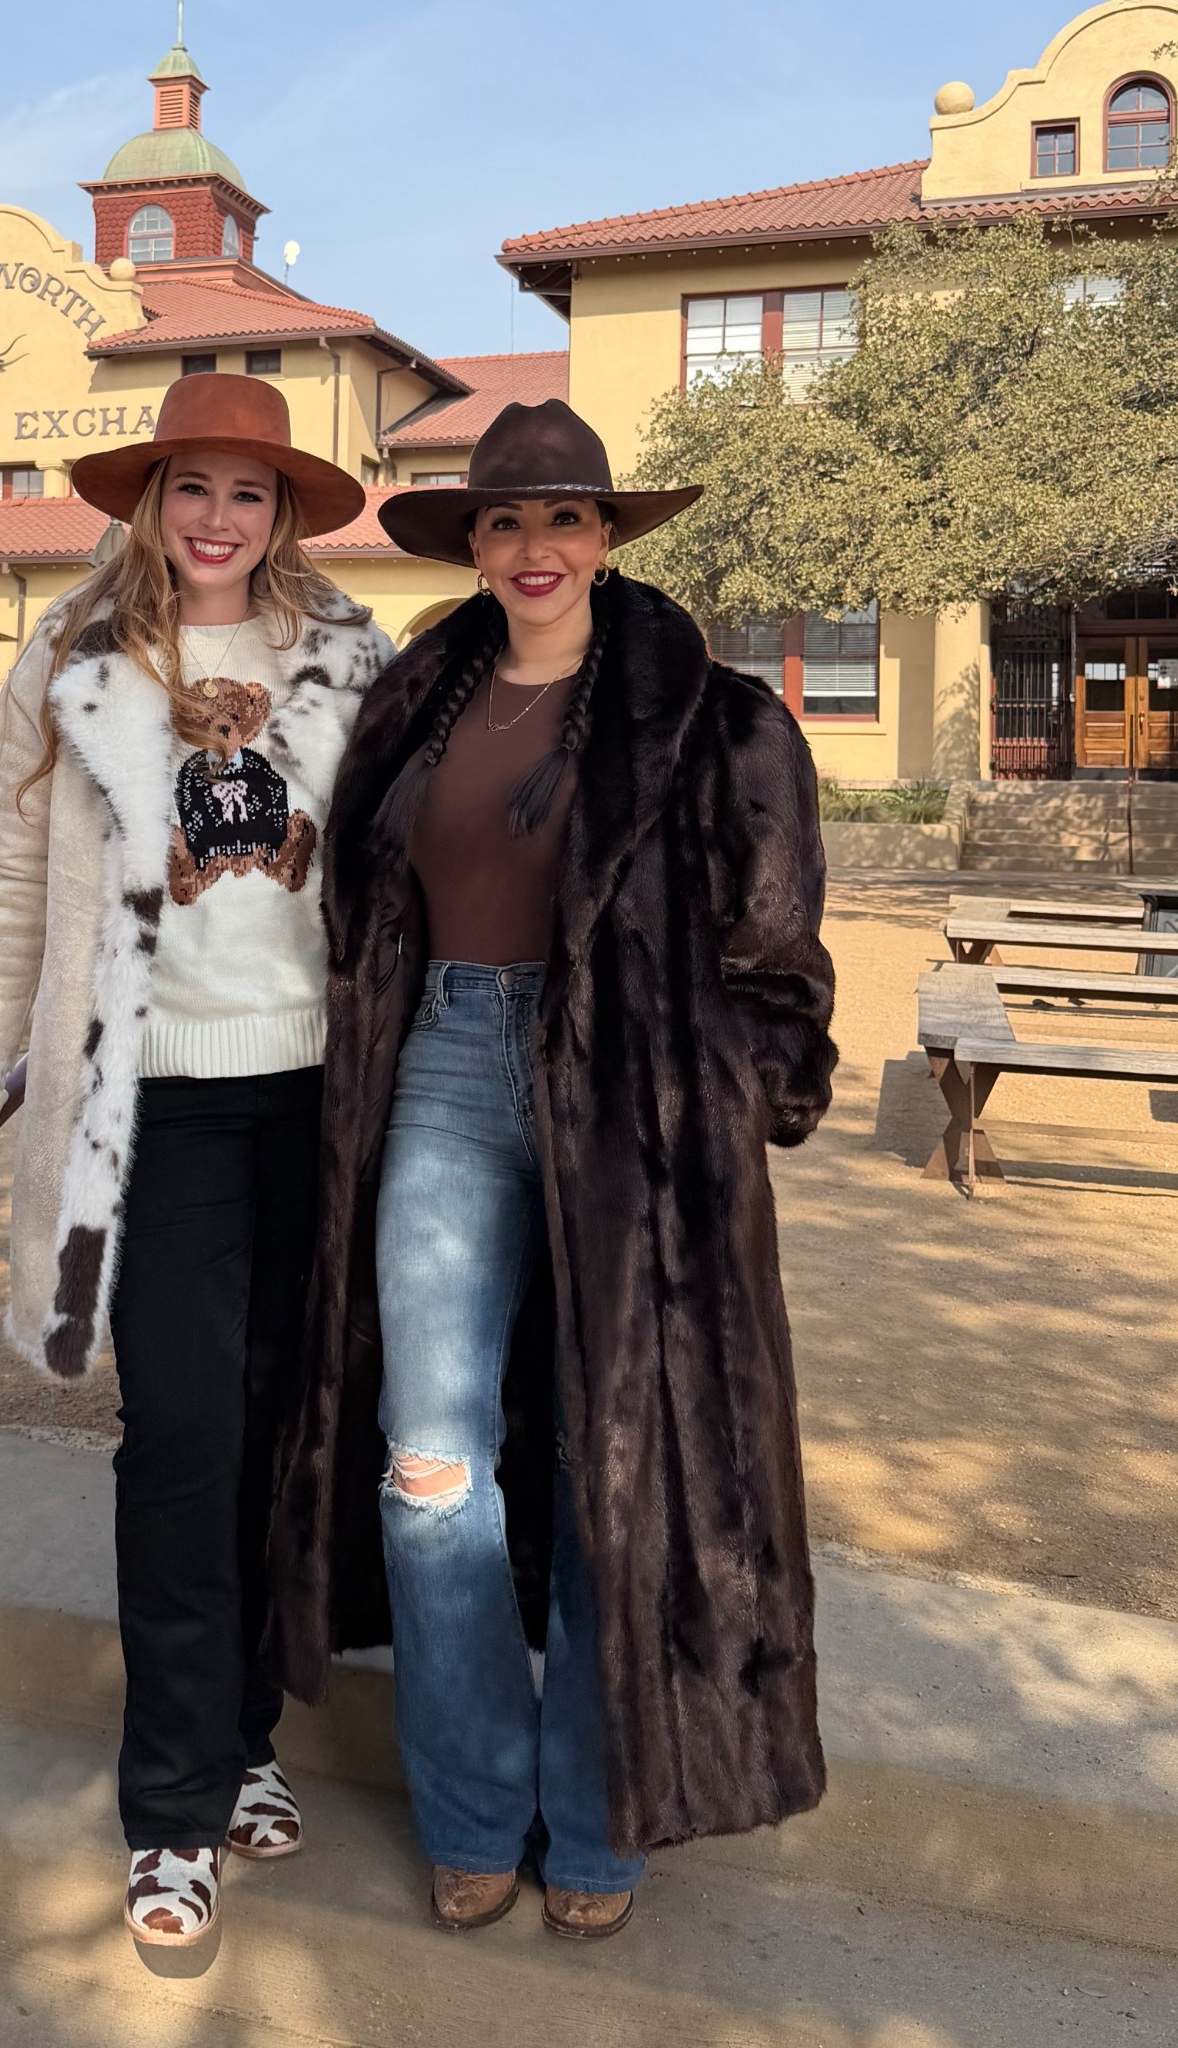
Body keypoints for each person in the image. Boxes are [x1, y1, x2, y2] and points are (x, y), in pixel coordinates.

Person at [269, 399, 837, 1940]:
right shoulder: (409, 709)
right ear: (472, 546)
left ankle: (596, 1820)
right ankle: (474, 1802)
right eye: (506, 524)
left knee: (617, 1461)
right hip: (446, 1067)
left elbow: (778, 948)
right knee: (431, 1471)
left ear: (607, 539)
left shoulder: (717, 722)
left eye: (565, 521)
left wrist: (740, 1100)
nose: (535, 549)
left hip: (635, 1101)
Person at [0, 373, 392, 1947]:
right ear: (148, 497)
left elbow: (405, 876)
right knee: (182, 1436)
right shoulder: (71, 657)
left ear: (285, 512)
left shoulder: (347, 659)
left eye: (248, 493)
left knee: (279, 1431)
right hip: (157, 1104)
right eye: (191, 486)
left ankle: (247, 1735)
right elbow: (7, 885)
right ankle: (173, 1806)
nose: (216, 519)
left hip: (318, 1101)